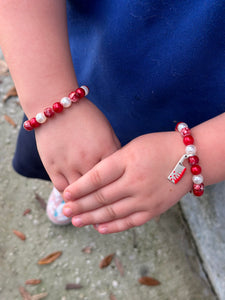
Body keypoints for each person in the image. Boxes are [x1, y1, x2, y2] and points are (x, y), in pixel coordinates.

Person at [0, 1, 225, 233]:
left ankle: (112, 186)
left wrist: (198, 158)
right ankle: (76, 183)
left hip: (200, 115)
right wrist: (51, 100)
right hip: (85, 80)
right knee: (73, 157)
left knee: (154, 178)